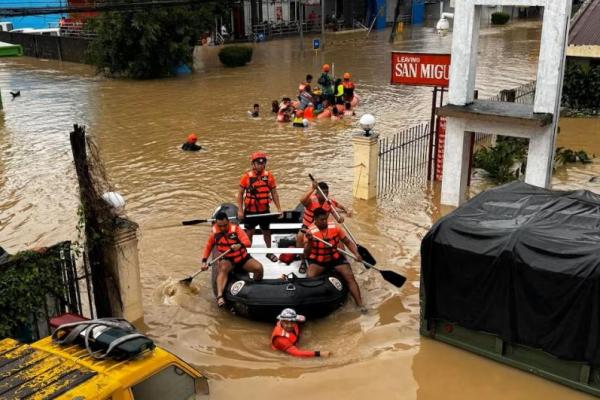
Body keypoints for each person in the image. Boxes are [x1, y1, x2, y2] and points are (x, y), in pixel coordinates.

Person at [304, 208, 365, 312]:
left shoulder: (335, 228)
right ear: (315, 219)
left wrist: (356, 253)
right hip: (319, 261)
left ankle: (360, 305)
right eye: (321, 220)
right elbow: (306, 253)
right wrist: (310, 241)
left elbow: (348, 242)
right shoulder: (309, 232)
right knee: (310, 278)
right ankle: (311, 305)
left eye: (325, 219)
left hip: (335, 258)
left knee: (350, 277)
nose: (324, 222)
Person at [201, 212, 263, 307]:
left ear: (228, 222)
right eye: (220, 226)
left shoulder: (236, 229)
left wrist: (239, 245)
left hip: (242, 258)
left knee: (259, 268)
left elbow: (247, 242)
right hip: (227, 259)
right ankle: (220, 296)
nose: (222, 228)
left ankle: (256, 288)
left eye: (225, 225)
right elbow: (208, 247)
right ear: (217, 224)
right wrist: (204, 261)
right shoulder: (214, 233)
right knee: (223, 269)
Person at [237, 152, 282, 262]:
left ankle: (269, 252)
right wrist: (240, 210)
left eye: (263, 163)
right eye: (258, 163)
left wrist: (279, 209)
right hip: (250, 211)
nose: (261, 165)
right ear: (253, 164)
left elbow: (274, 193)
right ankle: (247, 254)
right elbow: (240, 194)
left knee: (266, 231)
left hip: (264, 211)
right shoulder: (246, 177)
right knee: (249, 233)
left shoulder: (269, 176)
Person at [296, 181, 350, 249]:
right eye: (323, 192)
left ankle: (343, 256)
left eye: (327, 192)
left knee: (339, 238)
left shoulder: (329, 203)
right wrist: (312, 189)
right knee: (300, 237)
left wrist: (341, 218)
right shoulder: (310, 200)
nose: (325, 194)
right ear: (317, 193)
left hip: (323, 227)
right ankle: (302, 258)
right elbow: (302, 200)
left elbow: (338, 217)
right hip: (308, 226)